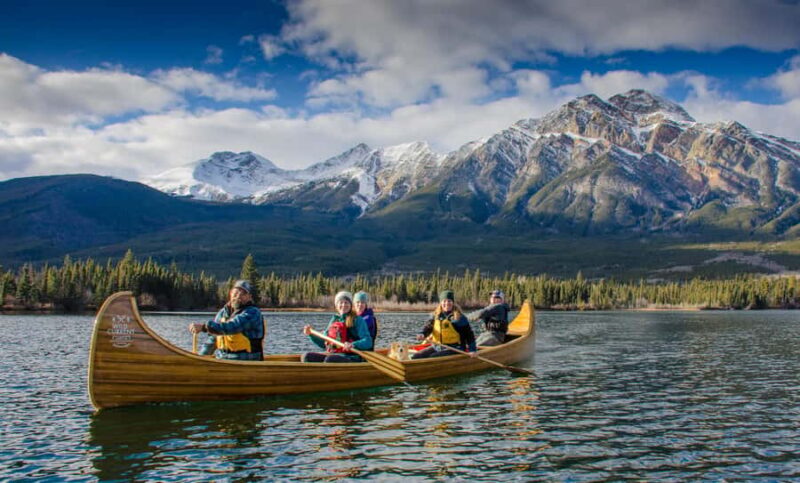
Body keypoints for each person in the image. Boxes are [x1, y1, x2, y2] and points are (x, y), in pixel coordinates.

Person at [188, 280, 264, 361]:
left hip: (246, 361)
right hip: (223, 359)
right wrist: (200, 358)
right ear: (230, 294)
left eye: (243, 294)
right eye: (236, 293)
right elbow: (213, 339)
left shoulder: (253, 313)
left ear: (249, 297)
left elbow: (232, 327)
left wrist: (204, 327)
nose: (238, 296)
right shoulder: (223, 313)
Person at [301, 291, 373, 362]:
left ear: (351, 305)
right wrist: (311, 335)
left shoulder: (357, 320)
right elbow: (324, 343)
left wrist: (353, 345)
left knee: (329, 360)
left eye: (346, 302)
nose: (343, 305)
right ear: (336, 305)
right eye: (341, 302)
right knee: (307, 357)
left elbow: (368, 341)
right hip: (334, 354)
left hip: (352, 356)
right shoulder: (334, 320)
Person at [412, 290, 477, 359]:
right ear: (441, 303)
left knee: (433, 357)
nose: (447, 303)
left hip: (455, 348)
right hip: (437, 347)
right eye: (444, 301)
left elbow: (469, 335)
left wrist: (472, 350)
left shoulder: (459, 318)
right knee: (416, 356)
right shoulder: (435, 315)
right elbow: (428, 328)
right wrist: (422, 334)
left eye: (449, 301)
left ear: (453, 302)